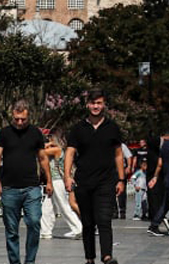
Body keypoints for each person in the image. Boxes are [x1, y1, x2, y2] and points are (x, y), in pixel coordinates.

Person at [65, 89, 124, 264]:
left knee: (104, 219)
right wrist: (67, 176)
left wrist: (122, 179)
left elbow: (118, 155)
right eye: (92, 103)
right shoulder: (78, 128)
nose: (95, 106)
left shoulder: (112, 128)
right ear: (87, 105)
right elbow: (69, 153)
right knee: (88, 223)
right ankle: (89, 258)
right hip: (83, 181)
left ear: (104, 104)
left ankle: (107, 256)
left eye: (99, 103)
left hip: (106, 181)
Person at [0, 100, 51, 264]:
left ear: (28, 116)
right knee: (11, 230)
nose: (19, 122)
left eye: (23, 119)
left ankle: (30, 261)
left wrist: (49, 181)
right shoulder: (4, 133)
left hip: (31, 187)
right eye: (16, 119)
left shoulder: (35, 133)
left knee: (34, 222)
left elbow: (43, 158)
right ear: (12, 115)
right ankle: (15, 261)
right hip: (9, 188)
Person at [39, 131, 82, 239]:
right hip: (53, 181)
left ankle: (78, 228)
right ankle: (45, 231)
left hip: (57, 181)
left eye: (50, 138)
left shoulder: (57, 150)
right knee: (47, 207)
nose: (48, 140)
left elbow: (41, 152)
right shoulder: (58, 150)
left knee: (63, 206)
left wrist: (48, 144)